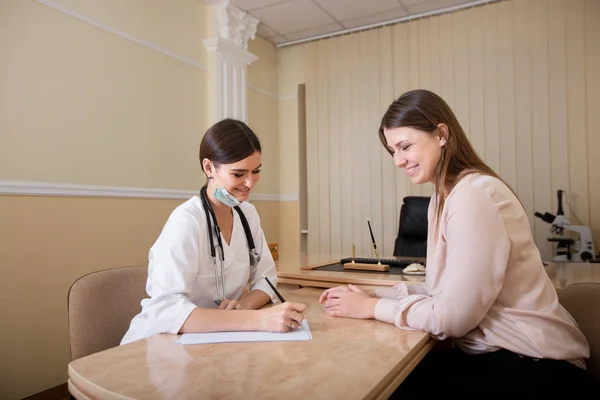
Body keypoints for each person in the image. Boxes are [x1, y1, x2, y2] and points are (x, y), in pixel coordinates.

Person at [319, 89, 595, 396]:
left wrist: (372, 307)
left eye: (404, 146)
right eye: (392, 151)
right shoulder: (443, 197)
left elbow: (452, 318)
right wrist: (374, 293)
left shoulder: (473, 194)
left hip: (535, 364)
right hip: (499, 355)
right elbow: (442, 290)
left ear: (440, 134)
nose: (397, 161)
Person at [121, 118, 305, 345]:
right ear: (209, 168)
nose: (250, 183)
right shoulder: (187, 221)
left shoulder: (248, 215)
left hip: (218, 338)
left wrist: (242, 306)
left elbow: (266, 280)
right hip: (161, 343)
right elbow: (166, 311)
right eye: (238, 174)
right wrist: (256, 319)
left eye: (255, 171)